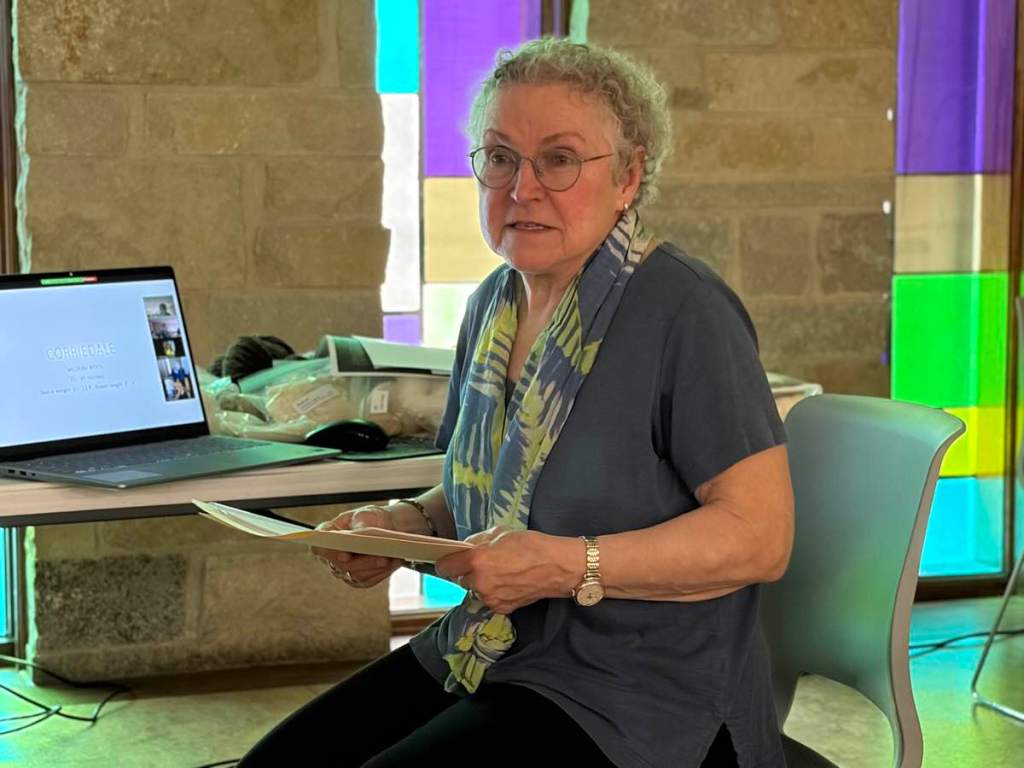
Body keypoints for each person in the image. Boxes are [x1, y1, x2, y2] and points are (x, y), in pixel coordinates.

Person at [238, 38, 793, 768]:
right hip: (490, 649)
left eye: (559, 159)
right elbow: (495, 491)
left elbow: (761, 537)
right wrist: (403, 525)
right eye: (501, 157)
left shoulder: (686, 310)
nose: (523, 188)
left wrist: (568, 566)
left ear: (628, 177)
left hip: (643, 694)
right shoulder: (493, 307)